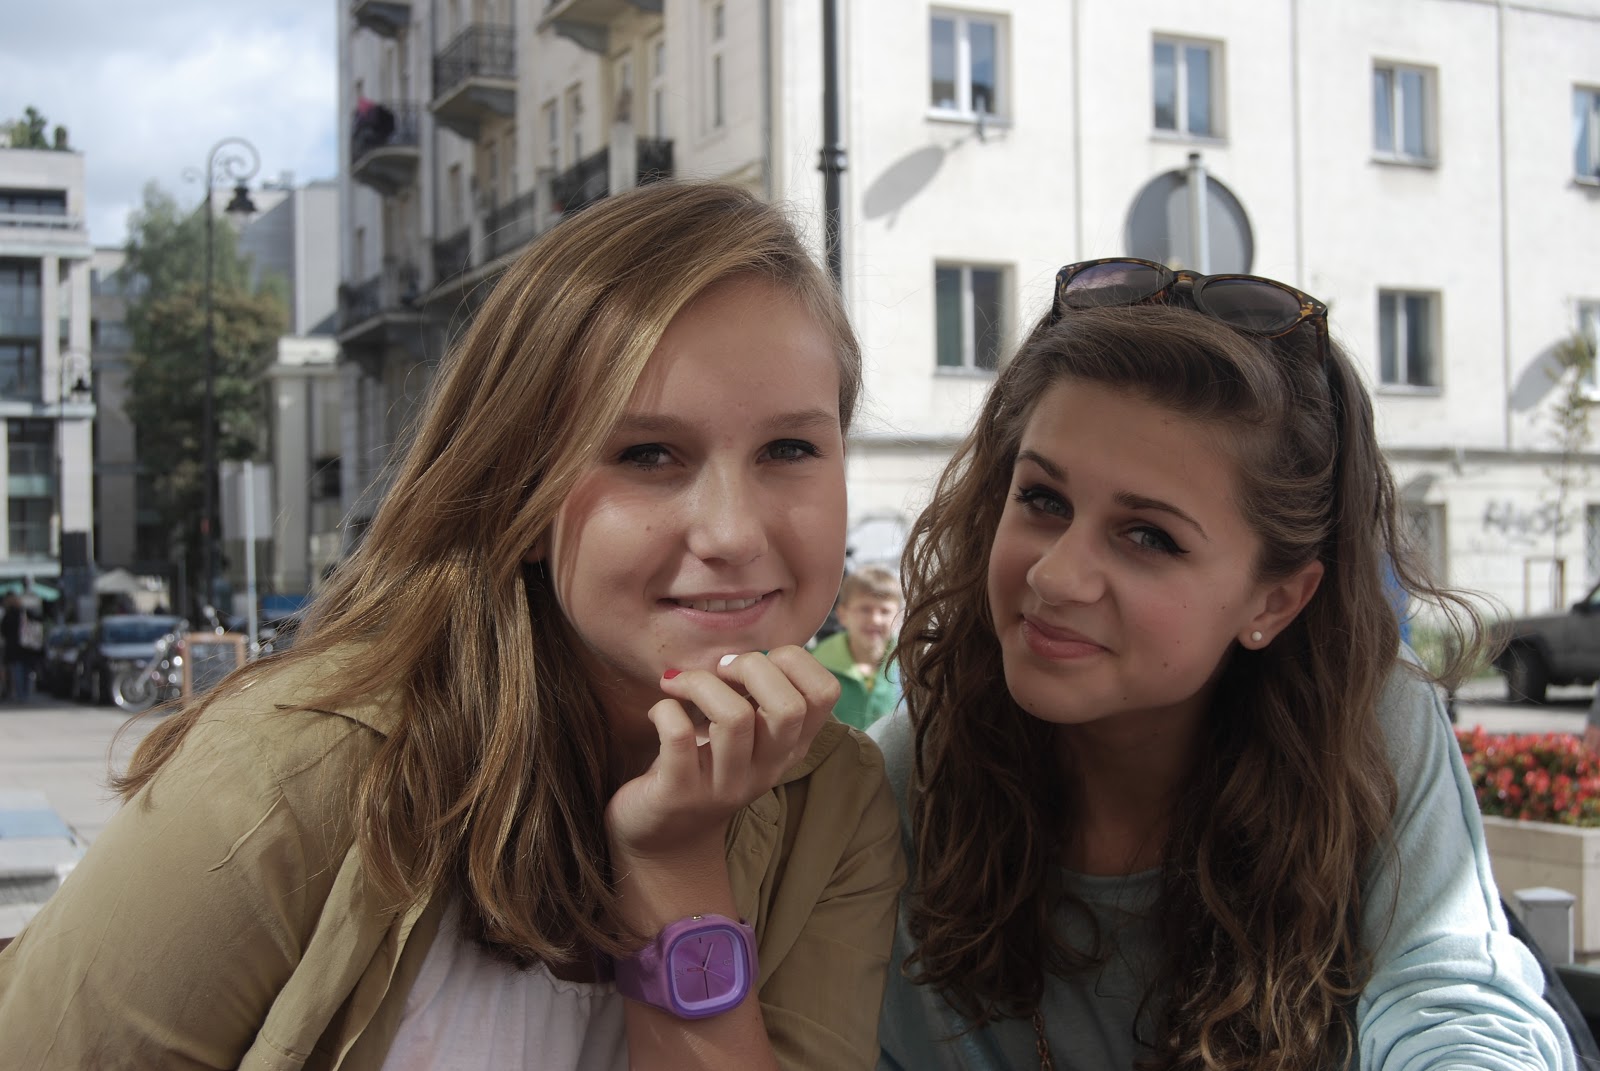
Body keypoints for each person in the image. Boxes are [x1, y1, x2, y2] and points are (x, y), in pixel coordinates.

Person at [0, 181, 904, 1071]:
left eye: (790, 448)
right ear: (520, 487)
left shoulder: (835, 799)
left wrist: (674, 864)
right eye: (648, 454)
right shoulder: (295, 767)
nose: (733, 532)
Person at [874, 258, 1575, 1070]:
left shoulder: (1365, 727)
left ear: (1274, 601)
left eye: (1149, 536)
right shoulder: (911, 772)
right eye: (1042, 499)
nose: (1056, 576)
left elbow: (1453, 1002)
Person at [811, 563, 902, 730]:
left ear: (898, 616)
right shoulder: (816, 664)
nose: (875, 619)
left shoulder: (910, 666)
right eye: (865, 609)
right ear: (843, 615)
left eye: (885, 611)